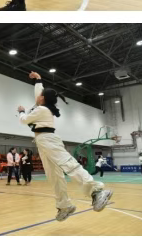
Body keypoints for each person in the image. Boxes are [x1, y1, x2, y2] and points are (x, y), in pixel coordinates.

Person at [18, 71, 112, 221]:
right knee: (54, 176)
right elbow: (39, 94)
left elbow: (24, 120)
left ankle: (97, 191)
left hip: (48, 139)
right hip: (42, 141)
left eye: (41, 95)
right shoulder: (42, 107)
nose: (38, 96)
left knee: (69, 165)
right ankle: (64, 205)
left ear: (43, 98)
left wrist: (22, 112)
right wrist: (38, 80)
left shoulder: (42, 109)